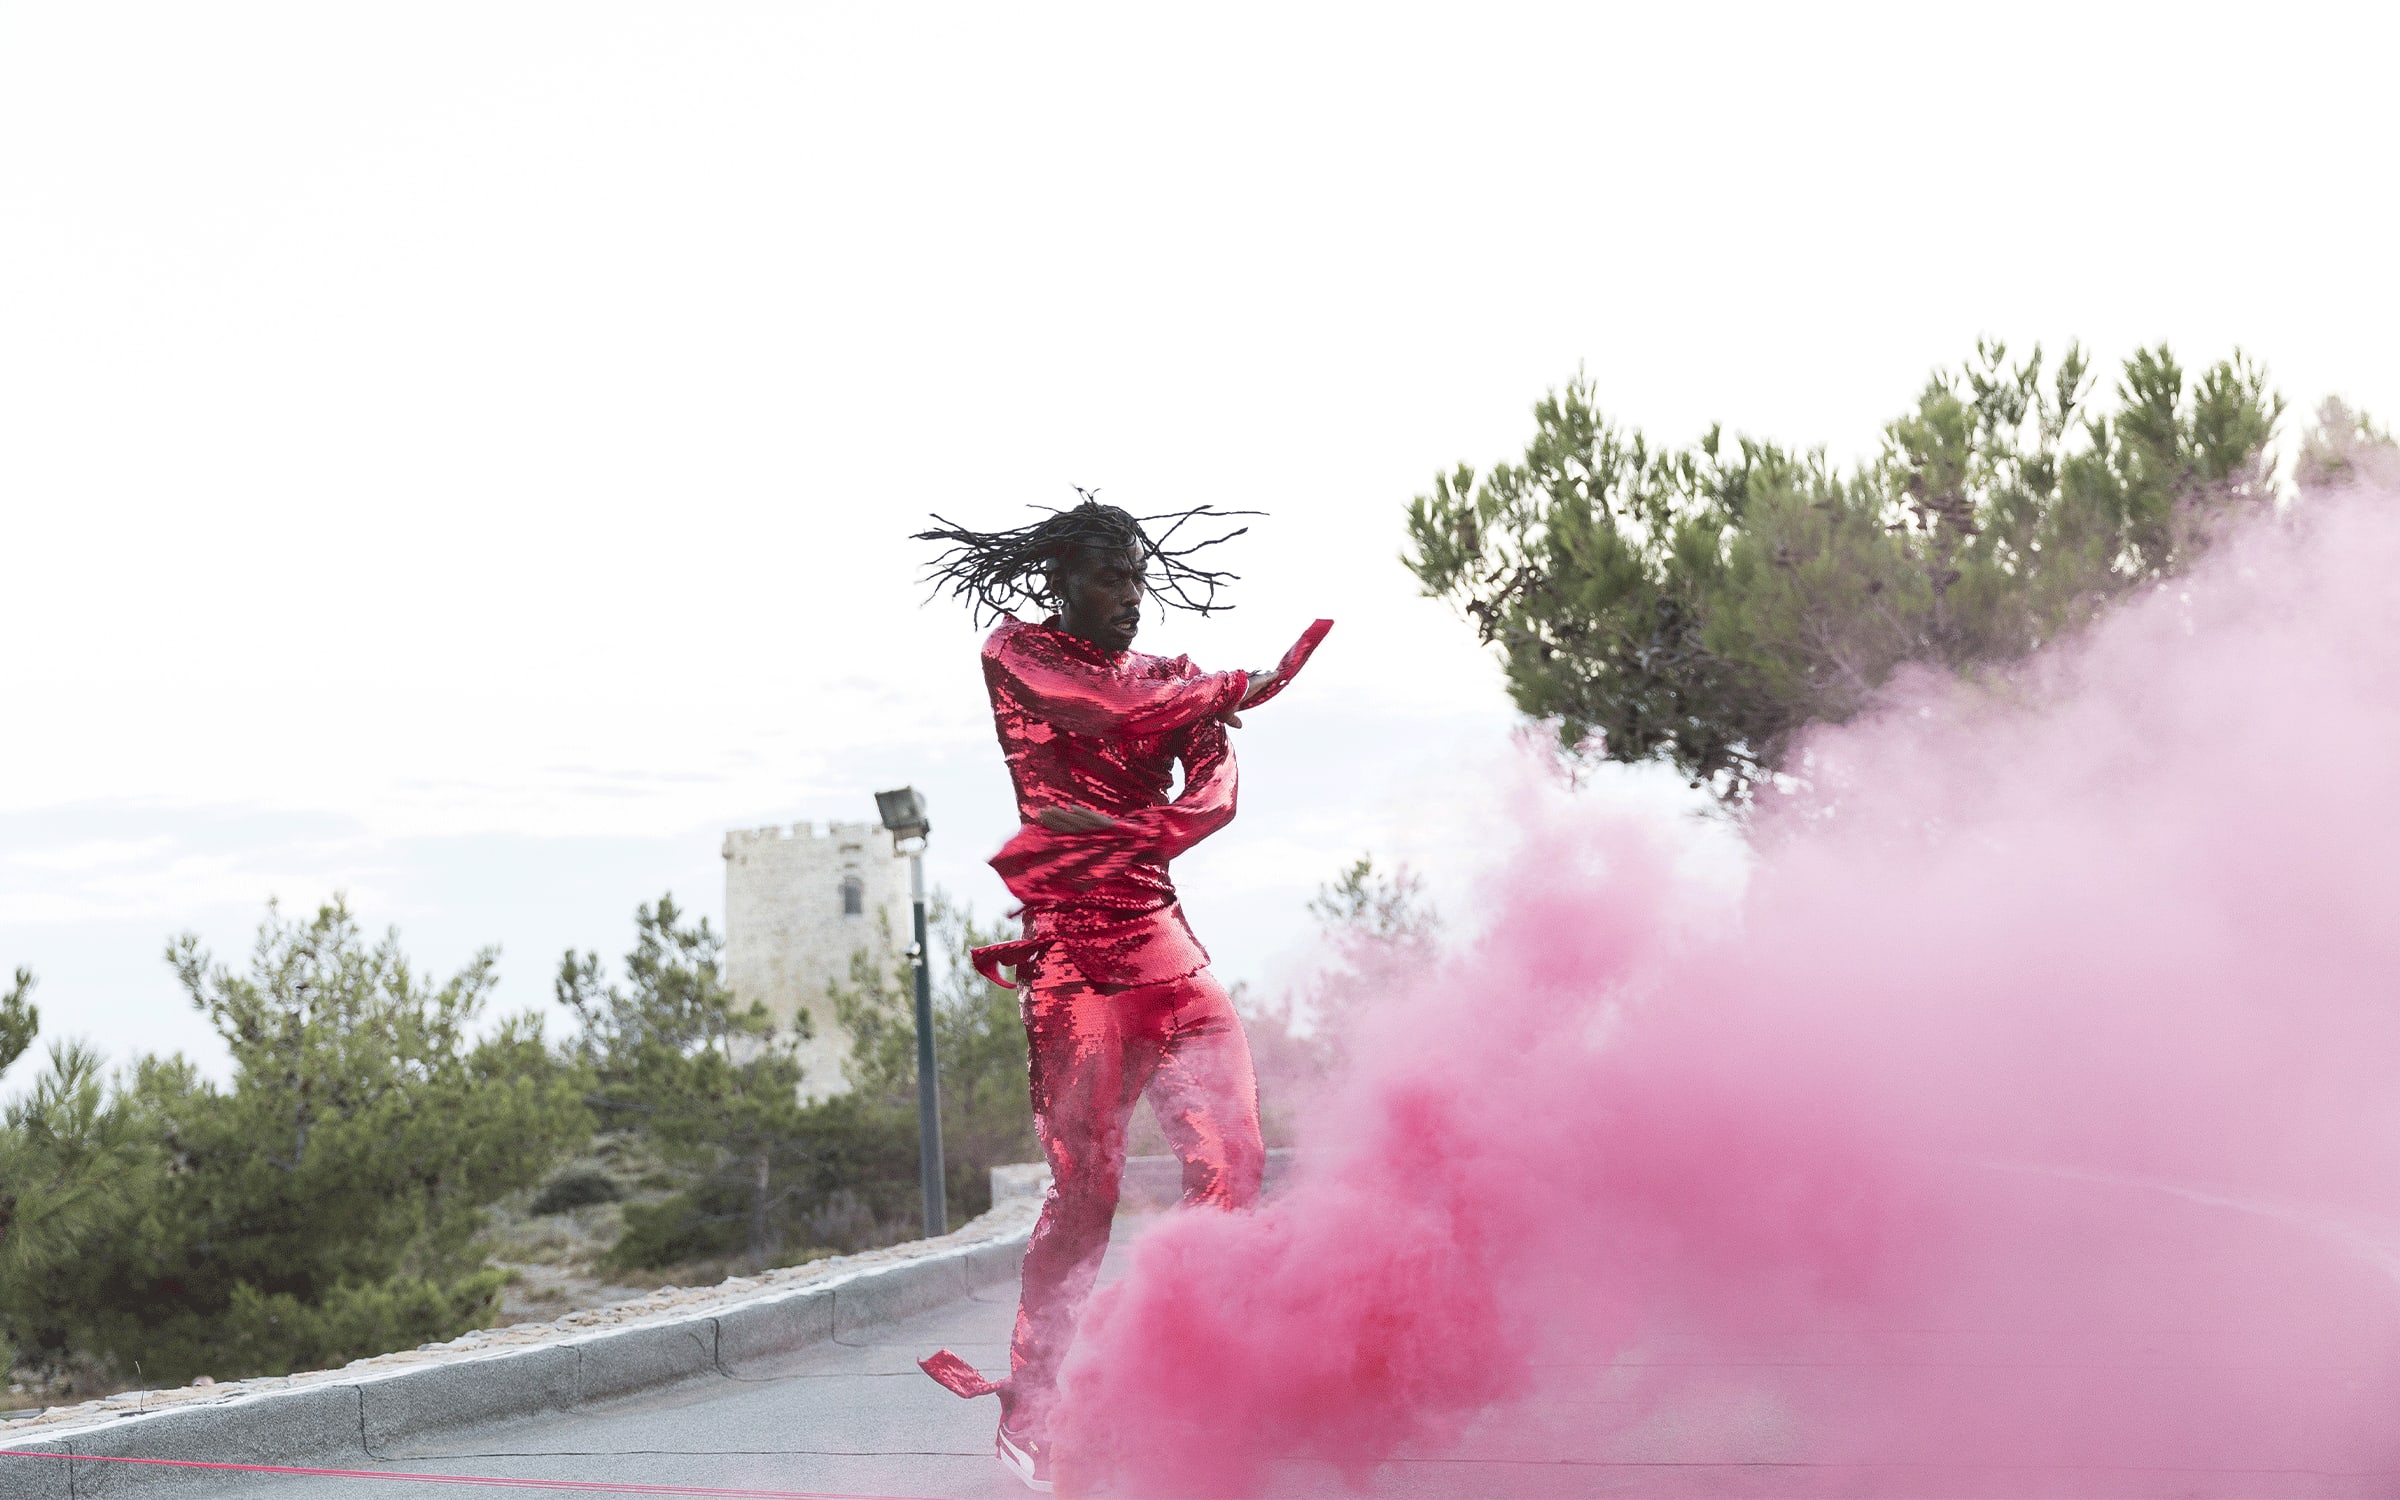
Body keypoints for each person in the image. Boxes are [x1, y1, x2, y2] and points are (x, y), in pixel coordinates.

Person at [910, 497, 1330, 1493]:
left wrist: (1143, 834)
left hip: (1166, 949)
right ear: (1062, 579)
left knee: (1234, 1160)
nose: (1131, 597)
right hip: (1074, 968)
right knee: (1087, 1192)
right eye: (1110, 578)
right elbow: (1110, 715)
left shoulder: (1173, 679)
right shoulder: (1018, 656)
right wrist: (1237, 685)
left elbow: (1217, 785)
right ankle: (1035, 1408)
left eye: (1139, 578)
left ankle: (1182, 1382)